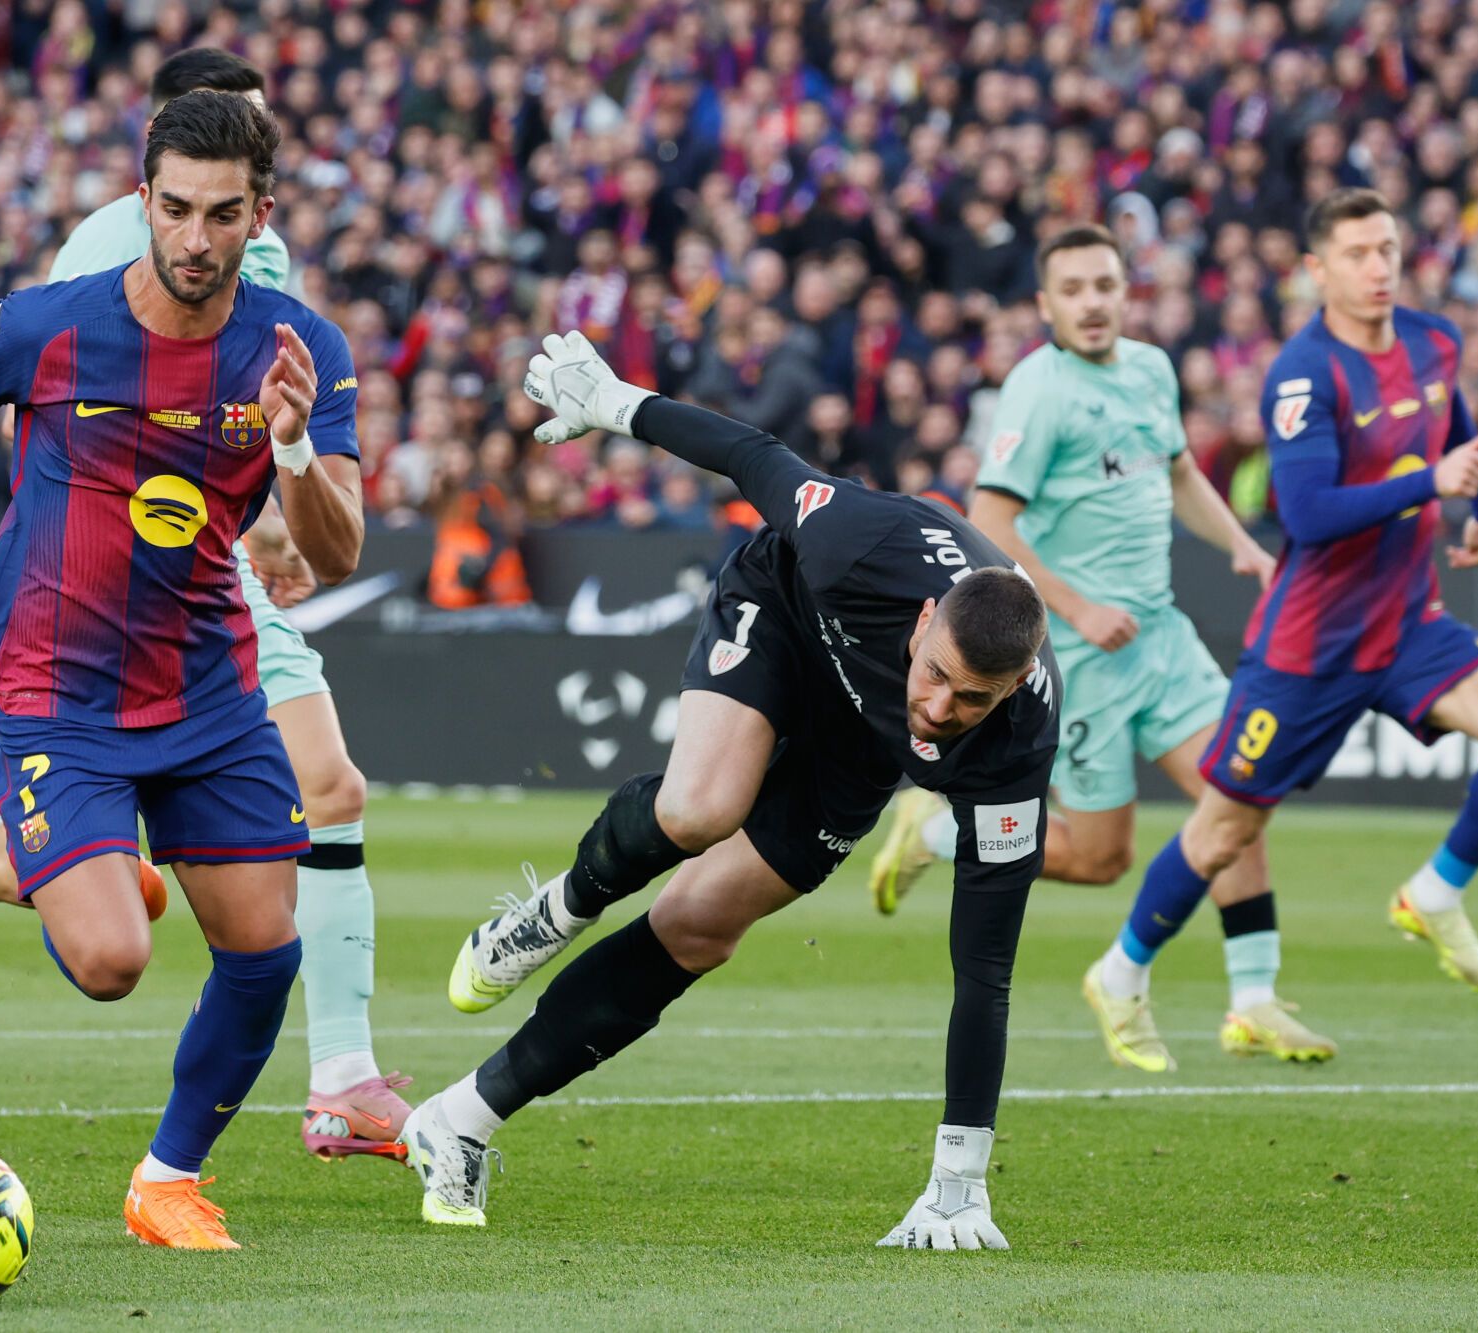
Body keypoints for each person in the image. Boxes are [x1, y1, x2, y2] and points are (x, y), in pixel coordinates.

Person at [0, 48, 410, 1168]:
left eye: (234, 195)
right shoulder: (97, 269)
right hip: (83, 620)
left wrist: (285, 469)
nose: (201, 232)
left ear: (263, 196)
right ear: (149, 172)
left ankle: (331, 1078)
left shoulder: (281, 301)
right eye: (183, 198)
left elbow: (308, 509)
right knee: (99, 926)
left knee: (323, 799)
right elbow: (42, 423)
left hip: (211, 600)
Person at [398, 332, 1059, 1250]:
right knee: (700, 807)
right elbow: (756, 455)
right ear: (922, 620)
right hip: (786, 611)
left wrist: (959, 1181)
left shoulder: (1016, 753)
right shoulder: (858, 544)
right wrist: (619, 404)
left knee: (702, 927)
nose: (938, 708)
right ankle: (560, 906)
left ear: (1016, 685)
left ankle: (458, 1120)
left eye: (971, 699)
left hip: (856, 746)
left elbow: (985, 971)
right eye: (937, 672)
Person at [868, 224, 1334, 1071]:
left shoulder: (1152, 370)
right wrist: (1075, 611)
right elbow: (991, 519)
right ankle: (933, 832)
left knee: (1239, 797)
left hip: (1160, 635)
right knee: (1100, 856)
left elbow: (1180, 472)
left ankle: (1253, 1001)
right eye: (1074, 289)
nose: (1093, 302)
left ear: (1127, 292)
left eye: (1106, 286)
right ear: (1046, 305)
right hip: (1082, 656)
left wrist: (1242, 545)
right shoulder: (1038, 390)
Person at [1104, 189, 1478, 1025]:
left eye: (1387, 248)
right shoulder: (1302, 373)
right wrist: (1432, 485)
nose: (1378, 267)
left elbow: (1454, 432)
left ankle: (1432, 895)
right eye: (1357, 254)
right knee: (1222, 836)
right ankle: (1122, 970)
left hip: (1409, 622)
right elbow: (1308, 515)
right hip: (1309, 649)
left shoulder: (1434, 341)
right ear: (1319, 270)